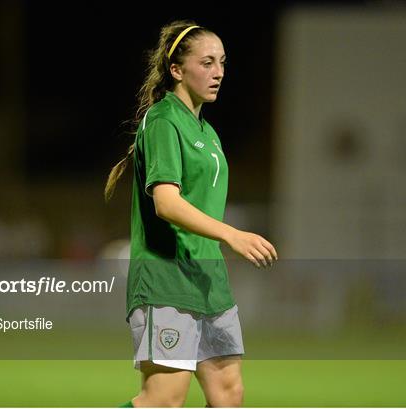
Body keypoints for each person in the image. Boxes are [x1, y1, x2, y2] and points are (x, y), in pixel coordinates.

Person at [105, 20, 278, 408]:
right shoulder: (165, 120)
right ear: (177, 70)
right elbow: (165, 202)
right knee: (163, 400)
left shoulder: (206, 131)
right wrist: (231, 234)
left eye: (222, 62)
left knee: (228, 394)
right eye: (206, 62)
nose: (218, 72)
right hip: (167, 279)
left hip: (208, 281)